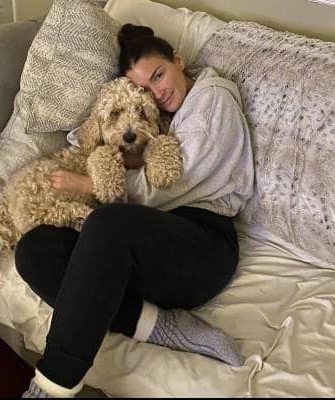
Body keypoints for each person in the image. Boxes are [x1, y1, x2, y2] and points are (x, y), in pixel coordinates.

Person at [17, 23, 254, 398]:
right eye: (146, 88)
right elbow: (93, 135)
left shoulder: (214, 101)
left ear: (178, 61)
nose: (157, 93)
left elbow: (167, 186)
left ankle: (50, 386)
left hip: (203, 246)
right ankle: (162, 326)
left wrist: (88, 185)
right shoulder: (164, 111)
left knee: (106, 223)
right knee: (35, 250)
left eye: (159, 75)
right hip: (150, 241)